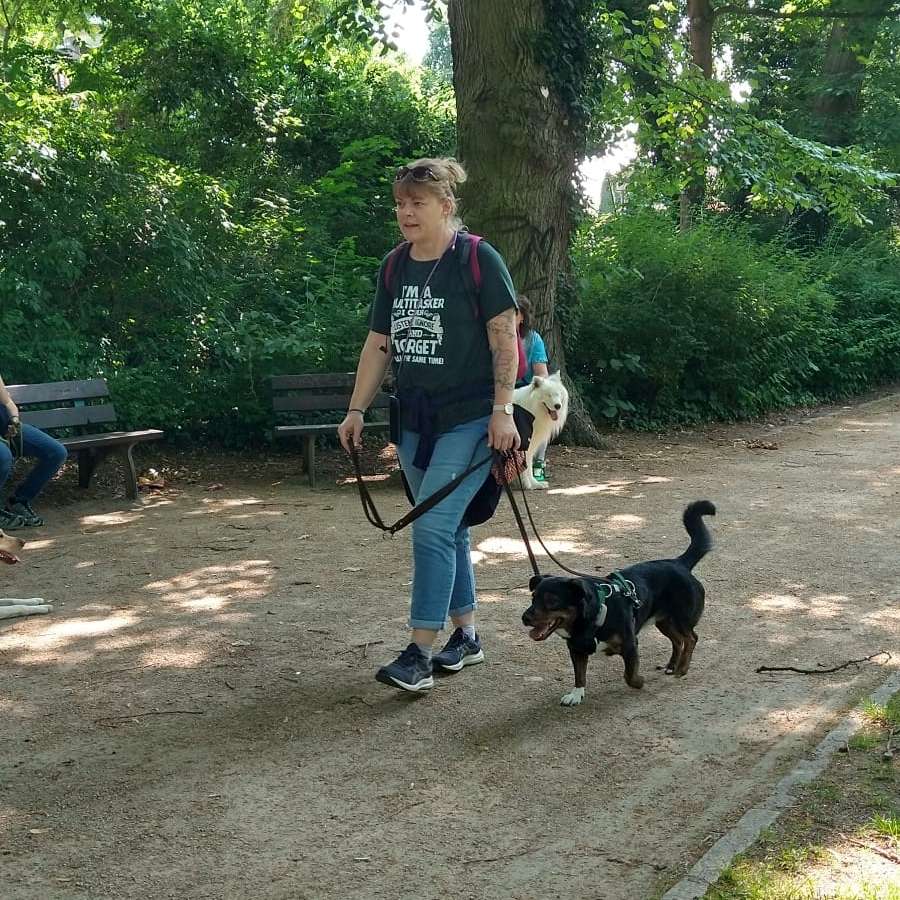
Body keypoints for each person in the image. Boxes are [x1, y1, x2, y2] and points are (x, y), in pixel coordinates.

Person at [338, 157, 520, 693]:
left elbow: (503, 334)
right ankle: (466, 636)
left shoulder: (478, 259)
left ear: (445, 205)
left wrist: (503, 409)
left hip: (469, 417)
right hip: (414, 419)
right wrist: (355, 409)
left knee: (432, 527)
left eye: (416, 203)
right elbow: (378, 343)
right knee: (450, 528)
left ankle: (419, 651)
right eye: (400, 204)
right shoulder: (396, 266)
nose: (405, 213)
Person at [0, 374, 68, 529]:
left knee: (56, 452)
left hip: (6, 426)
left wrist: (14, 421)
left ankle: (18, 502)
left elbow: (7, 402)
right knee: (3, 456)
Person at [515, 295, 551, 484]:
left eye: (515, 312)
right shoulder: (494, 335)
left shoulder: (533, 339)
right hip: (497, 390)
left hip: (526, 390)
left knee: (543, 413)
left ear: (522, 317)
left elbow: (542, 374)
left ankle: (538, 464)